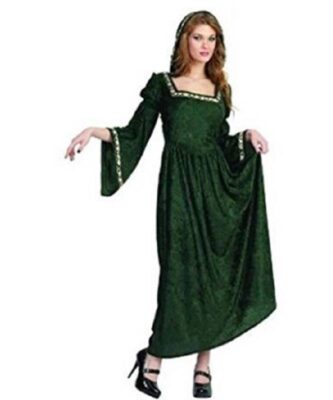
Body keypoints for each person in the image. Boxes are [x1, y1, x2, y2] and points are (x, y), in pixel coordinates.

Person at [64, 10, 277, 399]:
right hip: (178, 191)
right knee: (178, 273)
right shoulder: (164, 85)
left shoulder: (219, 90)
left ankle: (203, 365)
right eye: (198, 37)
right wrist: (93, 131)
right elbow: (134, 133)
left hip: (216, 193)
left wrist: (247, 135)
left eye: (211, 38)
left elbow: (221, 143)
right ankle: (154, 355)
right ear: (184, 41)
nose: (205, 45)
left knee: (215, 276)